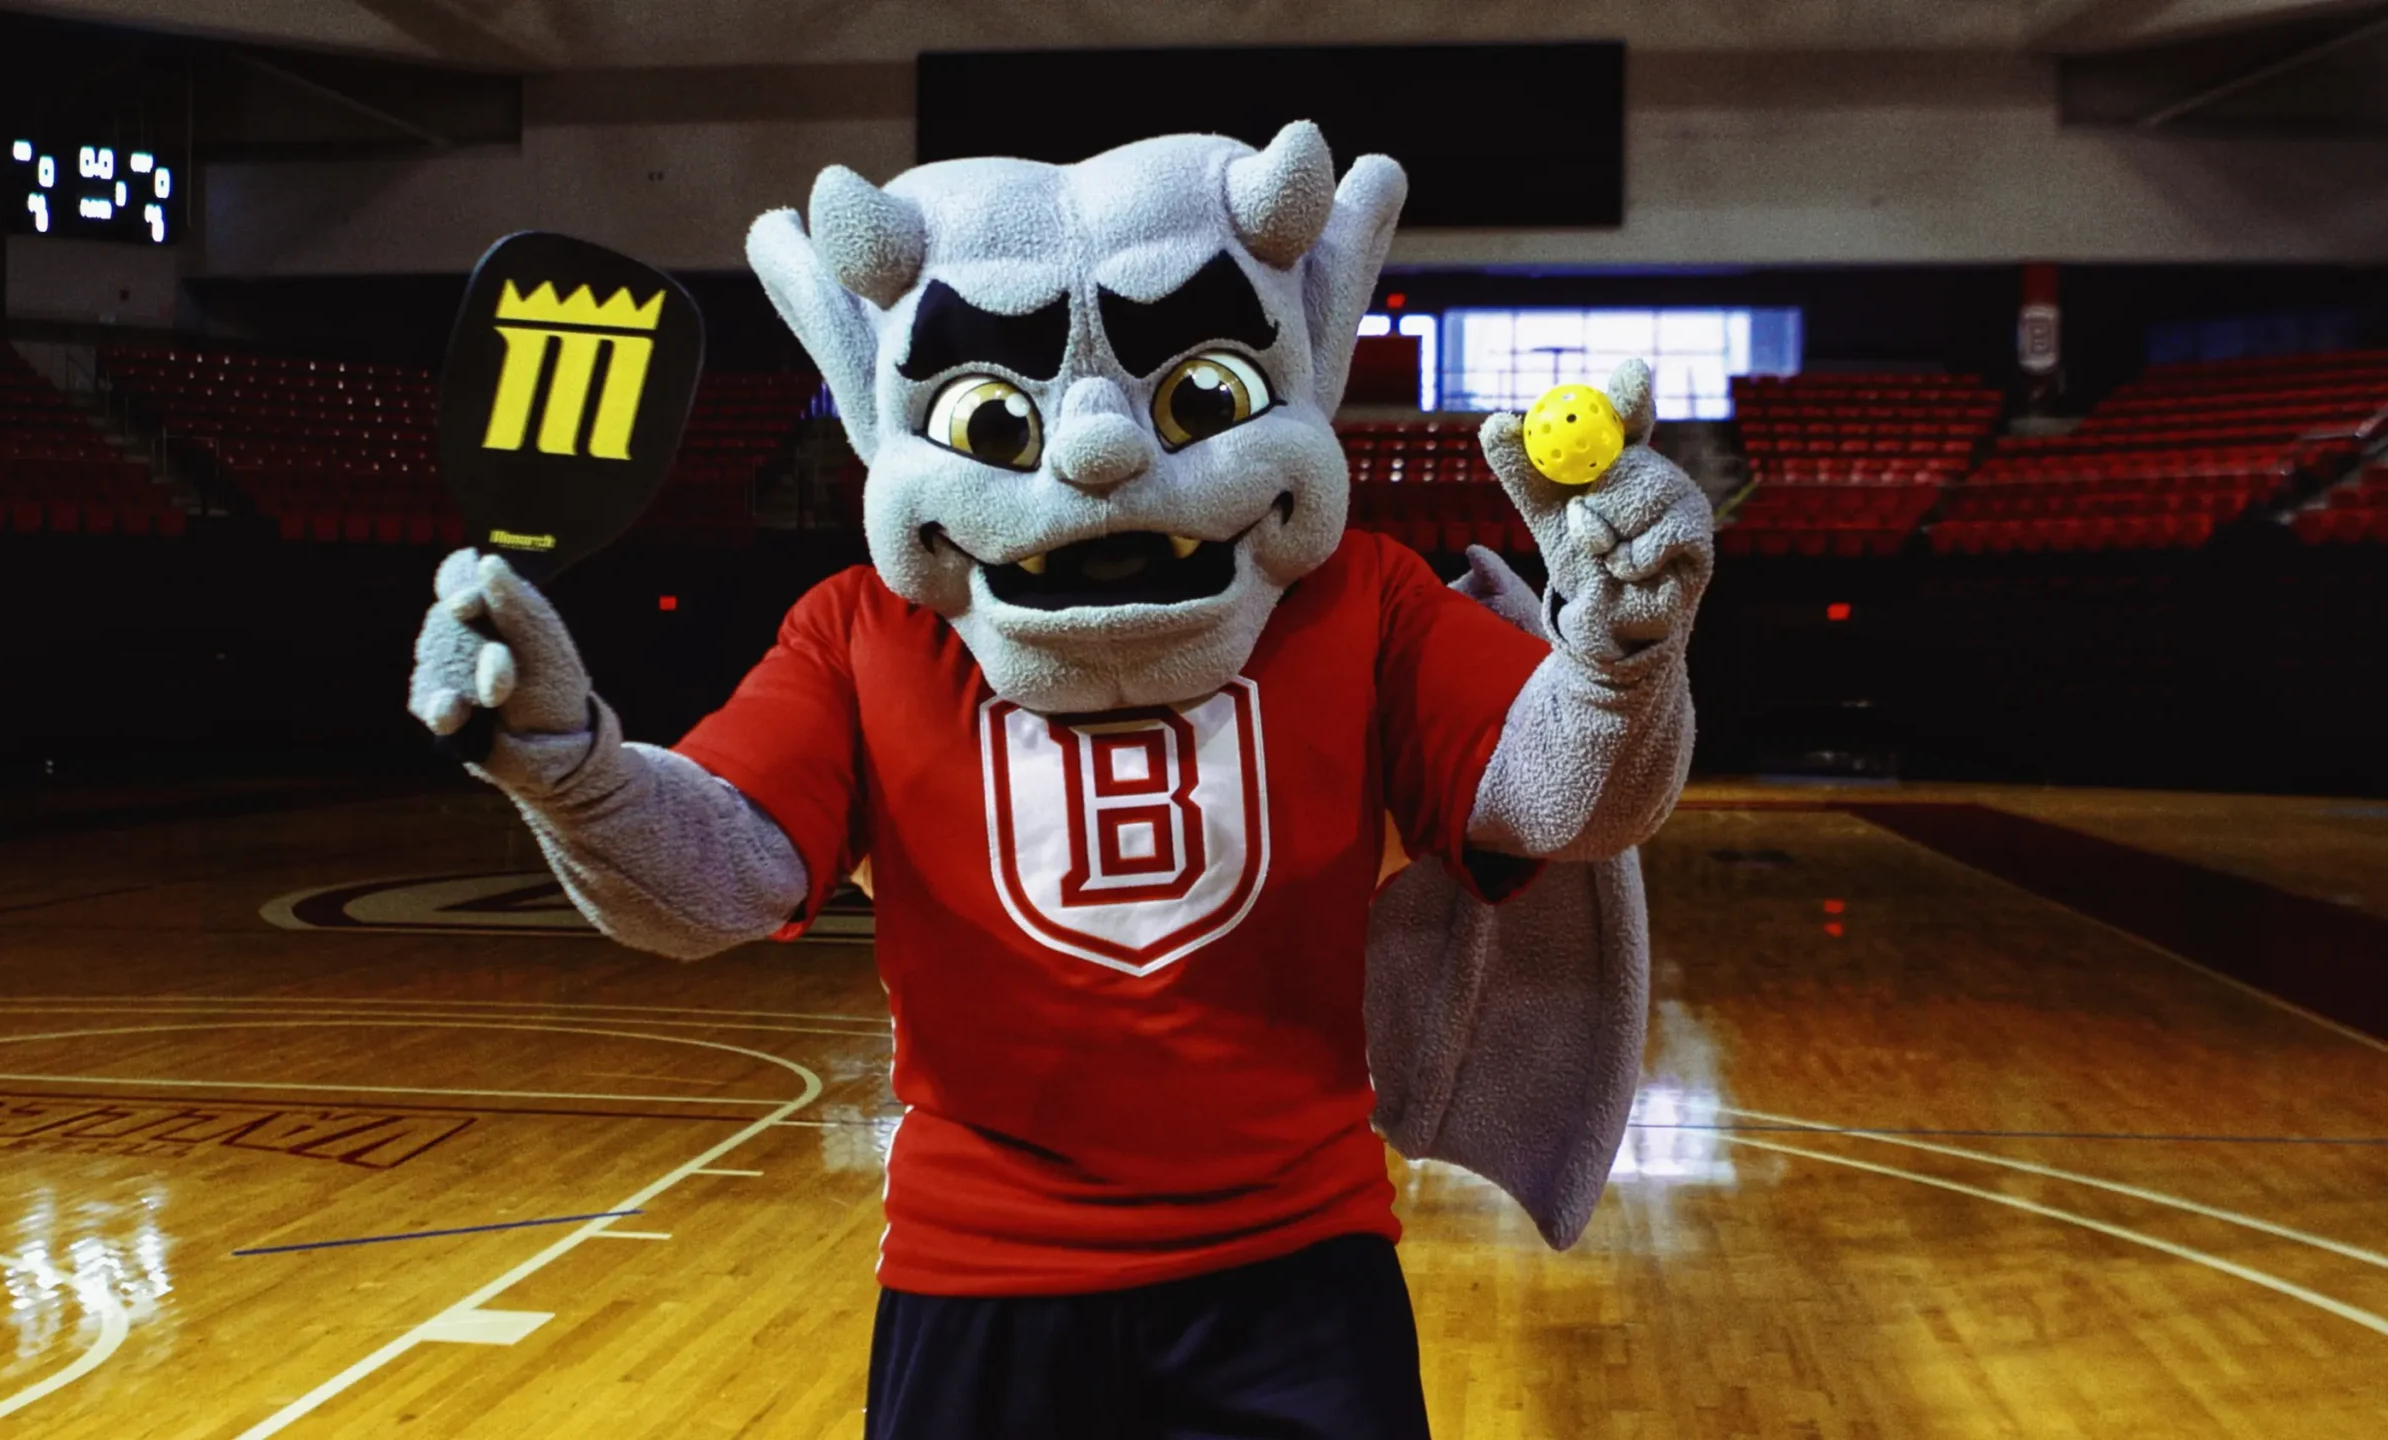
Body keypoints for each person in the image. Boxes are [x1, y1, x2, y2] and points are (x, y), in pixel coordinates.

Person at [409, 123, 1710, 1439]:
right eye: (994, 419)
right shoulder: (863, 630)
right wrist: (570, 771)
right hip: (980, 1268)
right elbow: (722, 877)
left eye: (1199, 398)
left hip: (1298, 1260)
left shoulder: (1358, 598)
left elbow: (1567, 800)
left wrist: (1616, 658)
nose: (1096, 459)